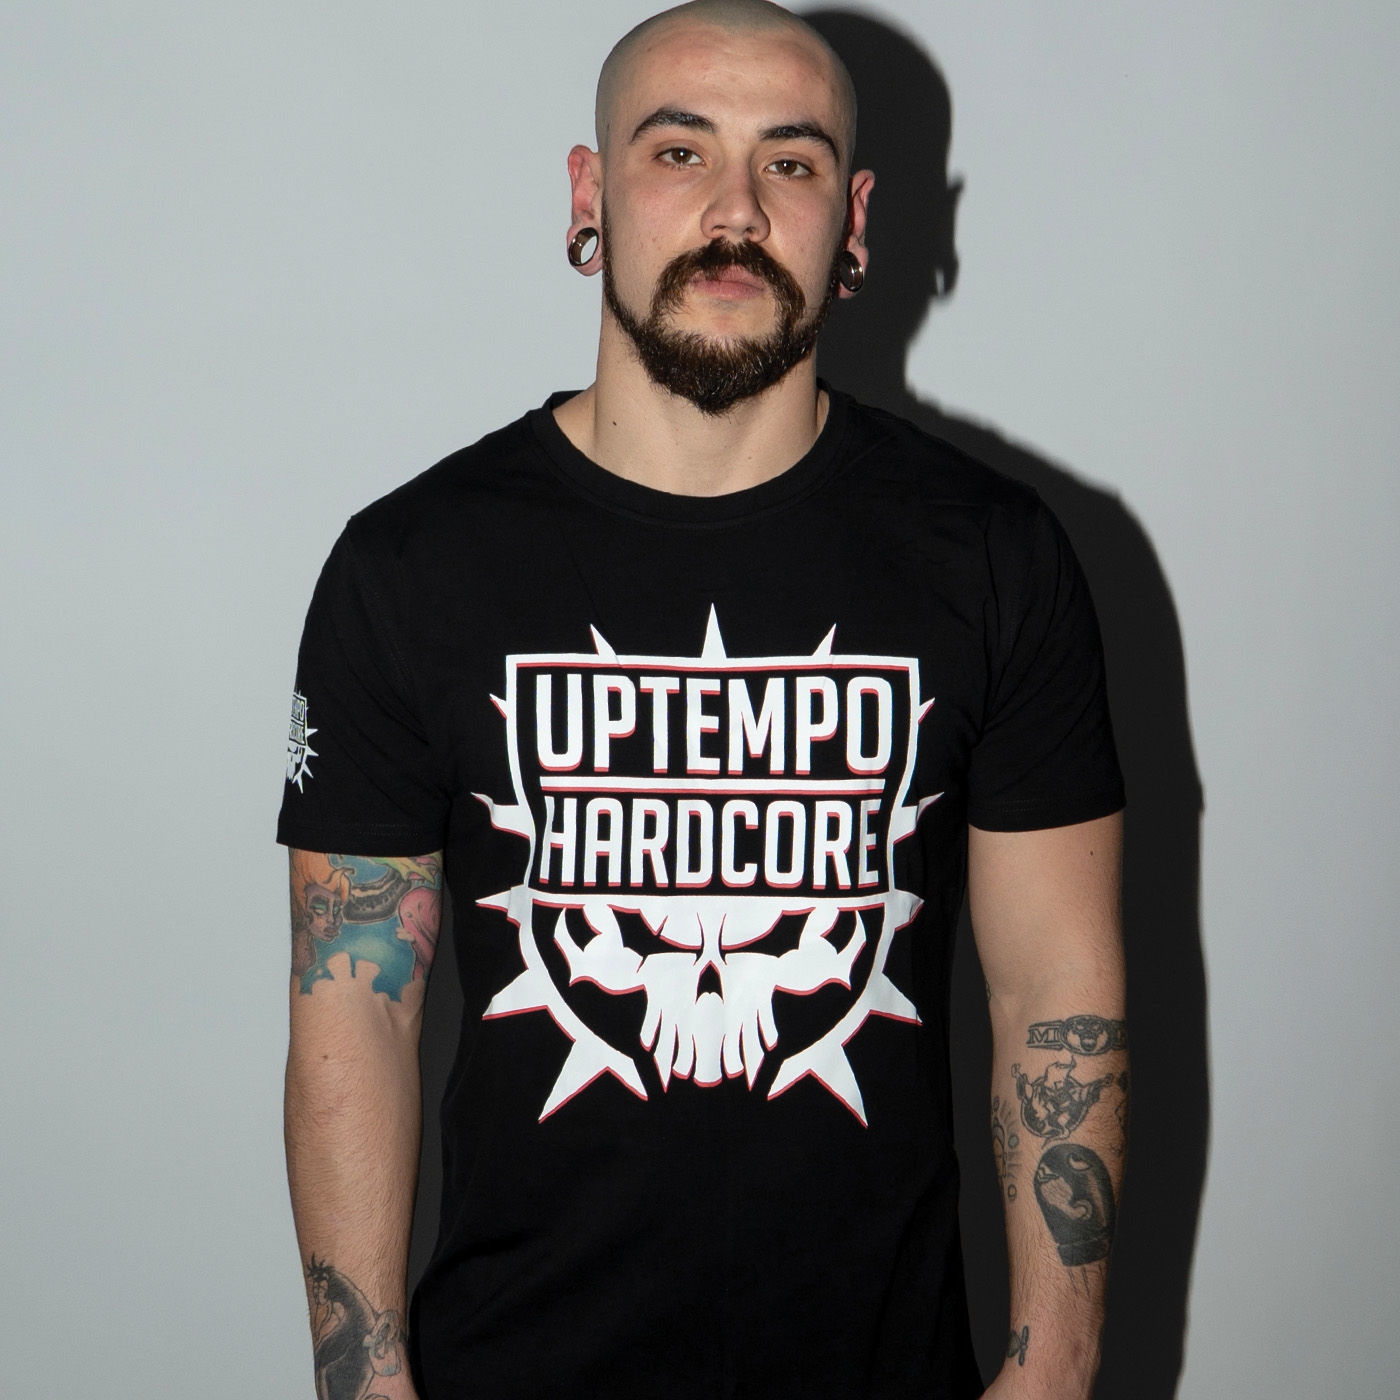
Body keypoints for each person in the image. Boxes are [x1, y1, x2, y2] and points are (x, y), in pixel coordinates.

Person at [277, 2, 1129, 1396]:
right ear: (588, 195)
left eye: (790, 164)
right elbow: (352, 1008)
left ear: (854, 222)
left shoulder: (997, 556)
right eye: (678, 152)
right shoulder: (409, 568)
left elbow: (1058, 991)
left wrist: (1055, 1374)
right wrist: (363, 1384)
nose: (736, 210)